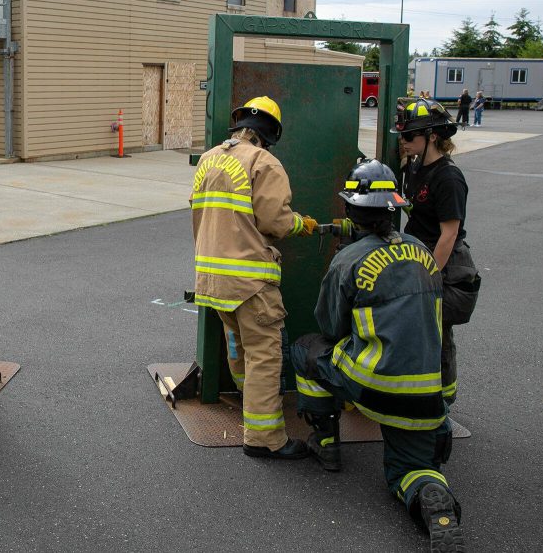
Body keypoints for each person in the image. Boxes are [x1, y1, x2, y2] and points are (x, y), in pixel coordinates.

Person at [290, 159, 463, 552]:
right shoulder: (423, 253)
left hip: (373, 385)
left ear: (352, 211)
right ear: (394, 208)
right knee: (413, 470)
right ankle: (433, 504)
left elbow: (331, 327)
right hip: (425, 397)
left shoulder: (347, 261)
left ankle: (326, 442)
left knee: (307, 349)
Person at [190, 95, 317, 460]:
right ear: (270, 133)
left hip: (211, 277)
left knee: (240, 348)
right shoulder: (264, 162)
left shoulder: (209, 160)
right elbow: (275, 222)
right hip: (249, 280)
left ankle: (252, 411)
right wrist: (301, 224)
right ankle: (264, 439)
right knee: (264, 353)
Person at [394, 98, 479, 404]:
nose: (403, 142)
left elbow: (449, 233)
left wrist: (428, 276)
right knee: (418, 331)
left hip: (443, 263)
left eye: (409, 136)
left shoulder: (448, 177)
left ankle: (442, 403)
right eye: (401, 135)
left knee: (437, 333)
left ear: (432, 136)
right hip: (419, 256)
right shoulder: (416, 166)